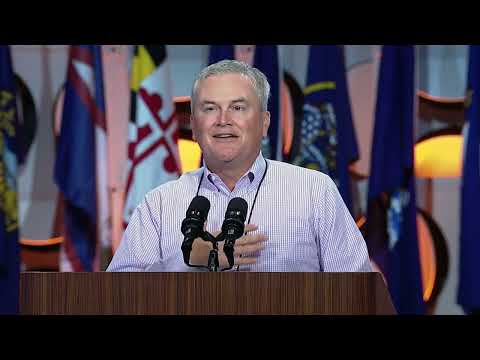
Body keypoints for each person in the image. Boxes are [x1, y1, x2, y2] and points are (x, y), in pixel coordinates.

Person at [107, 59, 372, 272]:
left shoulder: (315, 191)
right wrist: (185, 258)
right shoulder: (160, 204)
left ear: (265, 123)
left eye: (238, 107)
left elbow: (356, 293)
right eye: (210, 108)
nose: (223, 120)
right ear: (195, 126)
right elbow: (119, 296)